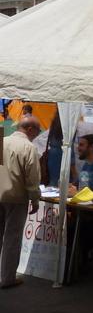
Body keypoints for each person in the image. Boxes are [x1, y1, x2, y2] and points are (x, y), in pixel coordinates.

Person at [0, 116, 41, 289]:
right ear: (30, 129)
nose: (37, 135)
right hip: (16, 197)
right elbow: (32, 177)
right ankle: (7, 277)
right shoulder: (28, 147)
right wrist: (35, 198)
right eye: (37, 131)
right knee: (12, 237)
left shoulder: (2, 141)